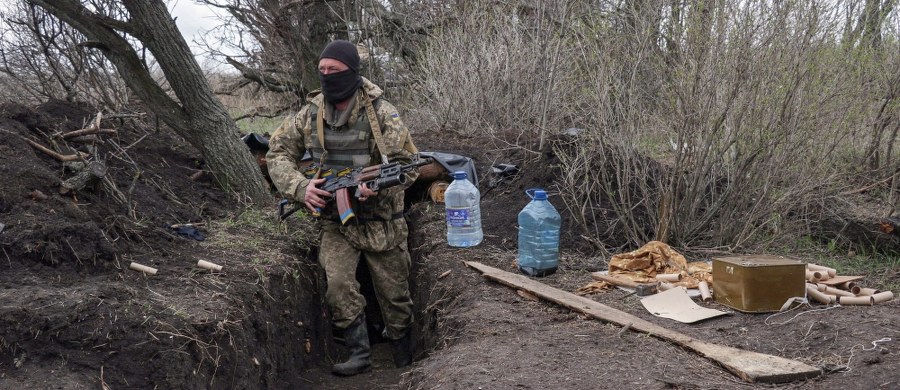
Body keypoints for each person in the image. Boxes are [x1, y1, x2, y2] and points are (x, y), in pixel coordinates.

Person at [266, 40, 417, 376]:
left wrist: (375, 187)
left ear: (352, 72)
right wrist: (302, 188)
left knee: (394, 296)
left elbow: (409, 166)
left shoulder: (381, 113)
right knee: (337, 287)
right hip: (337, 222)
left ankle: (405, 360)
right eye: (322, 71)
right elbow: (277, 154)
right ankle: (359, 353)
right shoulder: (310, 113)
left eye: (334, 71)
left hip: (382, 221)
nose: (327, 77)